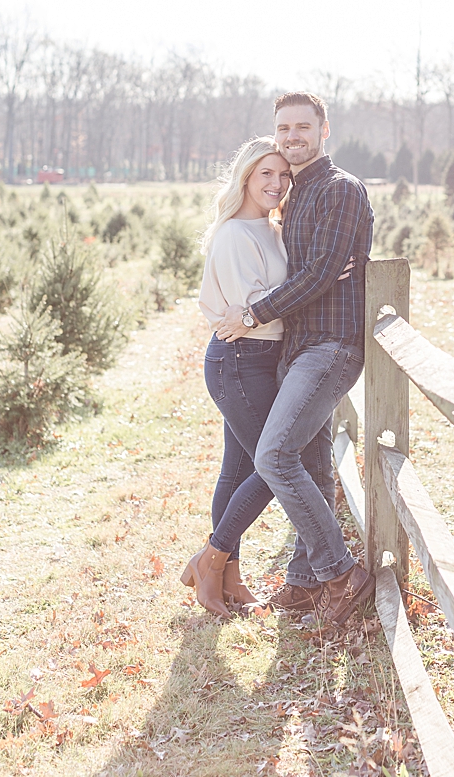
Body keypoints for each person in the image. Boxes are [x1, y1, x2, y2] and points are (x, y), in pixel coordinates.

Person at [214, 91, 376, 626]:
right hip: (295, 349)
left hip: (329, 348)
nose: (292, 136)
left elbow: (320, 271)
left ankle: (341, 572)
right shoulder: (291, 194)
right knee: (308, 461)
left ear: (323, 130)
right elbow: (305, 270)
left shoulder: (340, 189)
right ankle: (306, 584)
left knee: (274, 455)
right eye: (284, 128)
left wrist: (255, 312)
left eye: (303, 127)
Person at [185, 135, 293, 618]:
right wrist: (283, 304)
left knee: (240, 469)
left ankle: (229, 577)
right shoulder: (233, 234)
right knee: (275, 465)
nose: (276, 183)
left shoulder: (273, 229)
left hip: (261, 360)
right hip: (238, 360)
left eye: (283, 174)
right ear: (246, 176)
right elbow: (259, 313)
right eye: (266, 173)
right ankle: (210, 562)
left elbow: (266, 306)